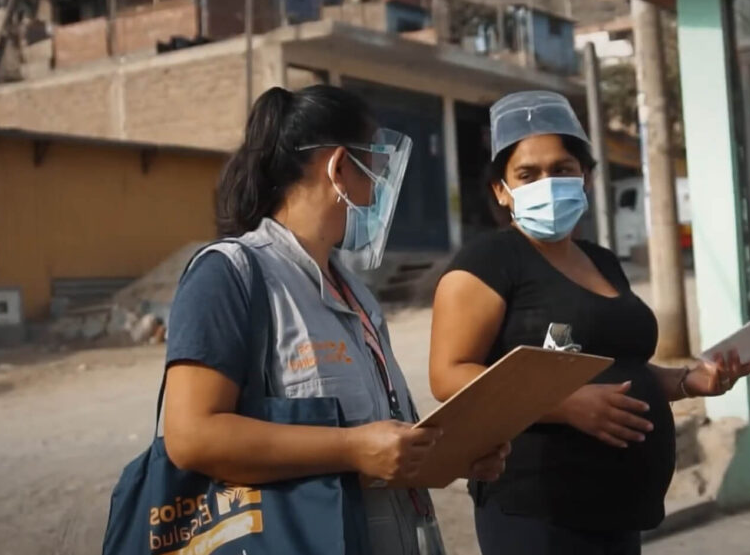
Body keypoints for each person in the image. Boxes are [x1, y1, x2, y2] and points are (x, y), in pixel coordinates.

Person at [161, 84, 508, 555]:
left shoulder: (354, 290)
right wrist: (350, 448)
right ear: (341, 168)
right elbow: (191, 436)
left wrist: (454, 453)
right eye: (376, 173)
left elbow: (380, 438)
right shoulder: (230, 274)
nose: (380, 193)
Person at [428, 91, 750, 555]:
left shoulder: (602, 261)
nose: (548, 182)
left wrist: (689, 381)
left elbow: (620, 368)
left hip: (619, 515)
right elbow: (449, 376)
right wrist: (564, 404)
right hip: (538, 511)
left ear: (584, 177)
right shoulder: (488, 261)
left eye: (562, 169)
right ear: (501, 191)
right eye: (528, 174)